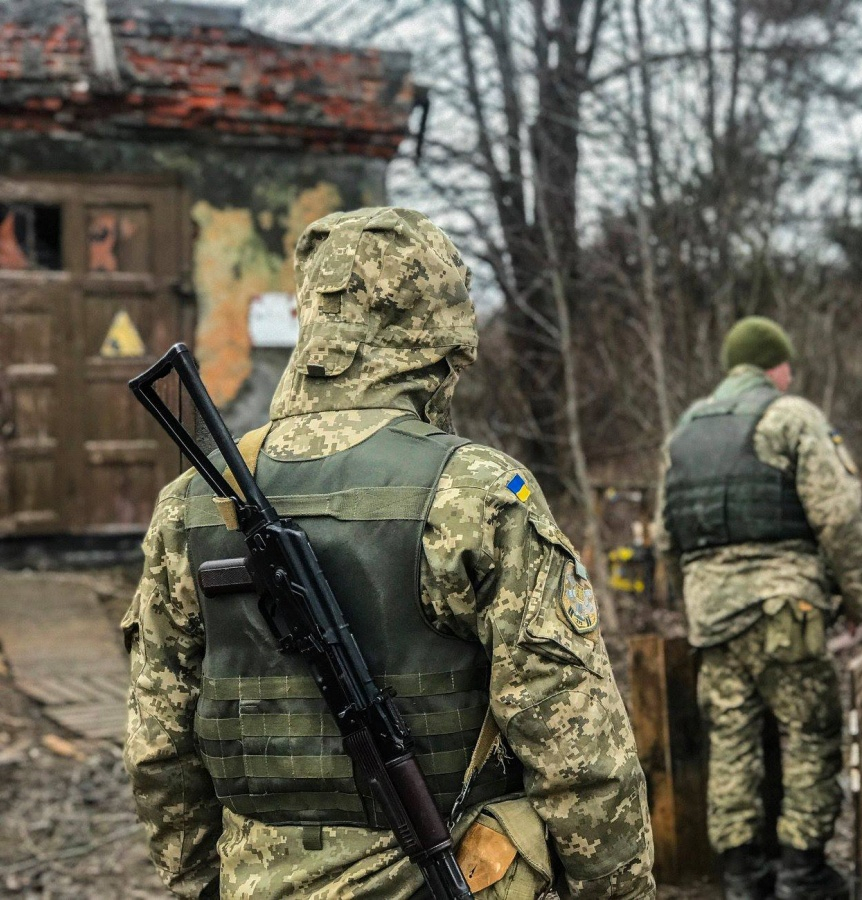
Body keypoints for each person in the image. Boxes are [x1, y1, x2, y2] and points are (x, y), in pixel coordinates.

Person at [123, 207, 655, 900]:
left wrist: (200, 882)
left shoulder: (191, 500)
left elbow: (158, 745)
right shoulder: (476, 492)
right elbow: (580, 751)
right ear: (436, 340)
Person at [656, 316, 862, 900]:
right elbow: (837, 519)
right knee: (810, 735)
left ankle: (742, 878)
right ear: (773, 366)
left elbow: (665, 537)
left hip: (713, 618)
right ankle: (803, 874)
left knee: (732, 744)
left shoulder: (683, 431)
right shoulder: (792, 416)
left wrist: (691, 603)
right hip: (786, 610)